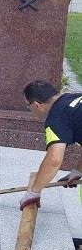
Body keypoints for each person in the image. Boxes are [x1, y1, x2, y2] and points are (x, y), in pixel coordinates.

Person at [18, 80, 82, 210]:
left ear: (36, 105)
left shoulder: (56, 118)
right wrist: (79, 171)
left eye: (27, 106)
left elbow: (54, 160)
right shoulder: (74, 98)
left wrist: (33, 192)